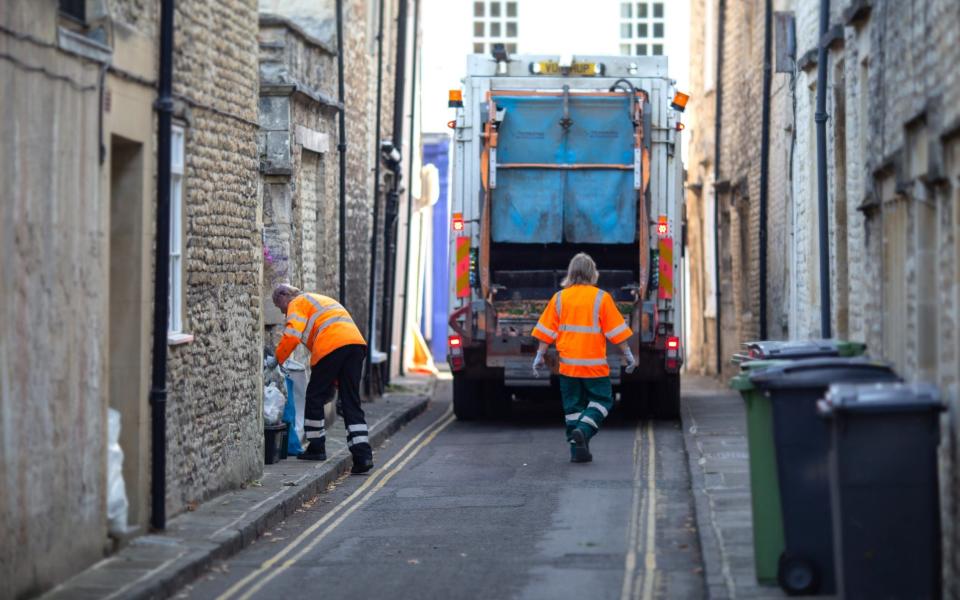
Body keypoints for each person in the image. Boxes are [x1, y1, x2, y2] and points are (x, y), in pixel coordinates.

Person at [530, 253, 638, 463]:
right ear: (592, 273)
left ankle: (578, 450)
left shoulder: (559, 298)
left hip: (568, 367)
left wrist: (539, 356)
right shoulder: (601, 298)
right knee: (602, 401)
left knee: (573, 409)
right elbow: (617, 331)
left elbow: (546, 331)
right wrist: (629, 355)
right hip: (594, 367)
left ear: (571, 273)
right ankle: (584, 432)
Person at [272, 284, 373, 474]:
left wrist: (277, 359)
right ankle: (363, 456)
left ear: (285, 296)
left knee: (313, 396)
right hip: (356, 345)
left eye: (280, 307)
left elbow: (292, 335)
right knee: (351, 402)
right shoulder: (318, 300)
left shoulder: (297, 302)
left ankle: (316, 447)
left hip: (331, 345)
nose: (283, 313)